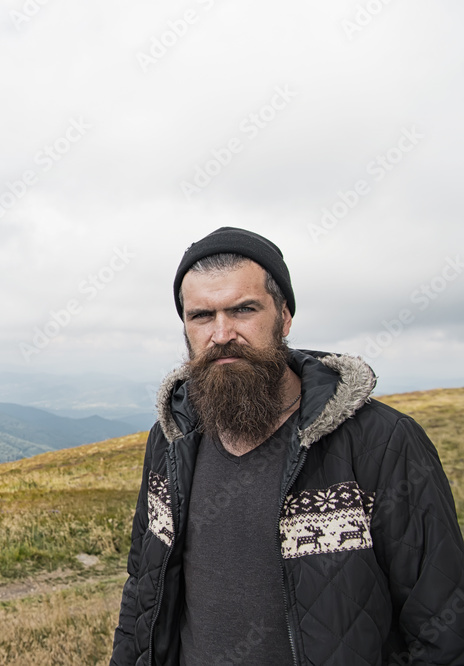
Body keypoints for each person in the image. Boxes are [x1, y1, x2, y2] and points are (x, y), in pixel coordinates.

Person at [109, 227, 464, 665]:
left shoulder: (383, 444)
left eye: (243, 309)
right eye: (201, 315)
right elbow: (142, 592)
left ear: (285, 316)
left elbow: (443, 627)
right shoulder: (170, 440)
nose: (221, 334)